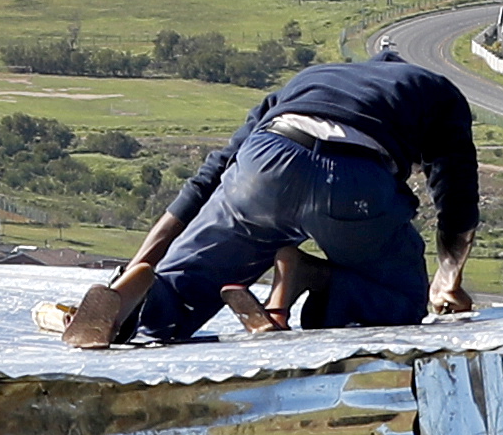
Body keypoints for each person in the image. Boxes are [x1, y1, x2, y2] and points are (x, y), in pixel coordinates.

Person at [120, 54, 482, 340]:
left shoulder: (310, 79)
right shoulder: (436, 91)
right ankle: (311, 276)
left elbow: (206, 180)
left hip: (263, 164)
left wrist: (140, 264)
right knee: (400, 302)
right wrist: (447, 280)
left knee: (182, 290)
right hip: (350, 179)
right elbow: (456, 197)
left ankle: (138, 302)